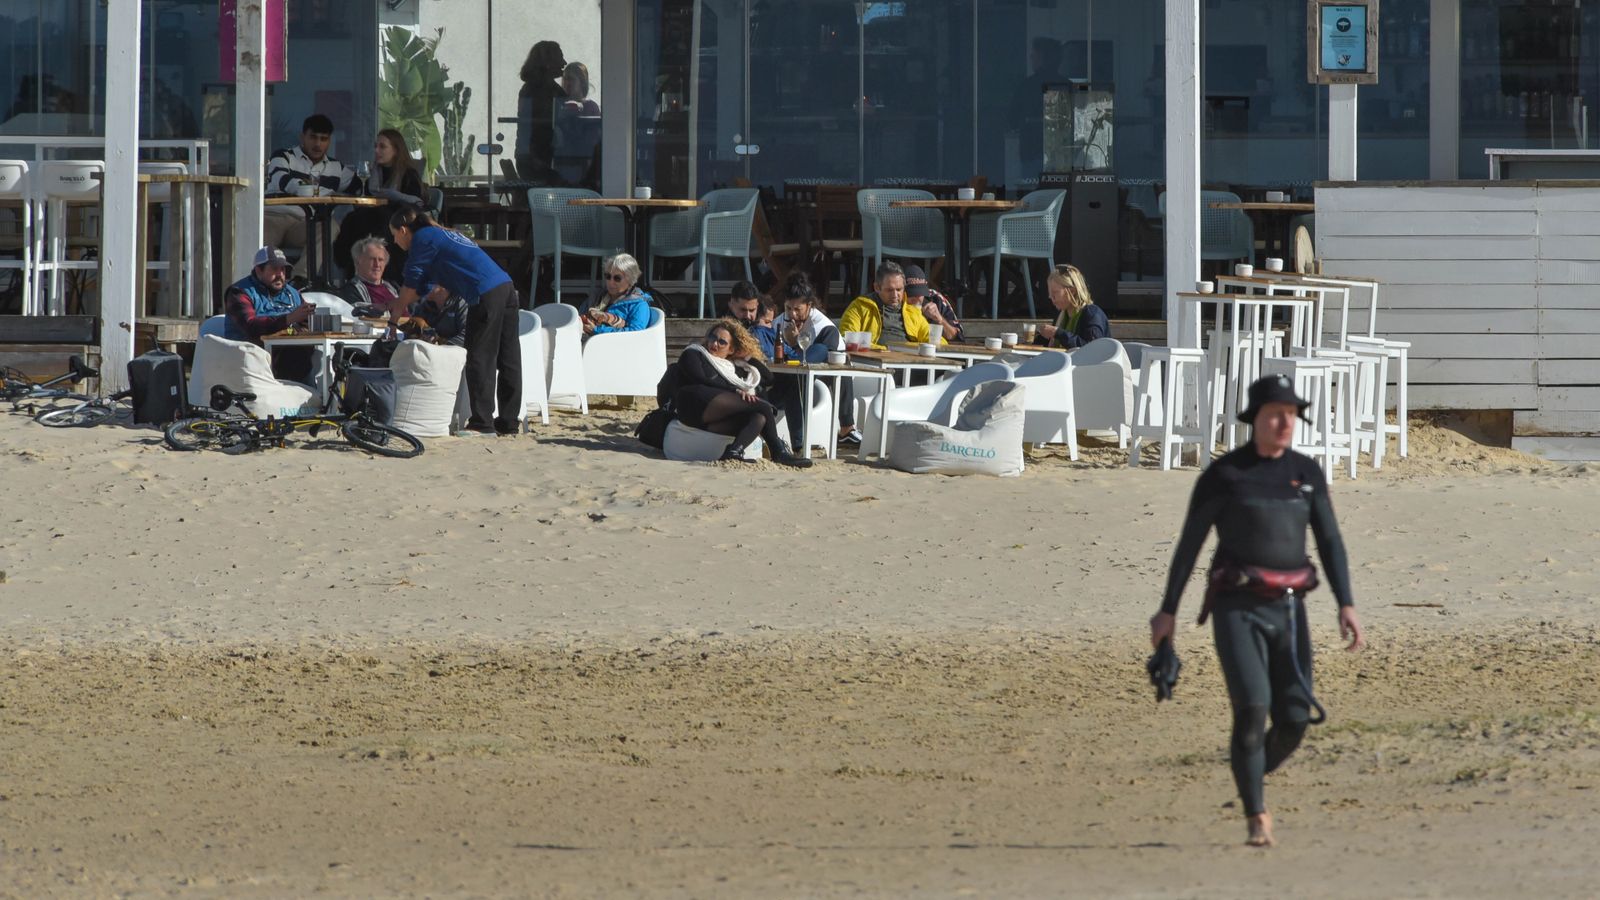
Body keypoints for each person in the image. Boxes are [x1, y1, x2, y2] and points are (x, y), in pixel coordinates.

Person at [1151, 374, 1365, 848]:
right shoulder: (1225, 476)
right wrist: (1167, 612)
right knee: (1252, 711)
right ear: (1255, 420)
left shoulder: (1306, 473)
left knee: (1293, 719)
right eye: (1275, 413)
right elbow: (1189, 546)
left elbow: (1329, 541)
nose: (1284, 422)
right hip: (1236, 610)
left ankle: (1250, 775)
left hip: (1290, 611)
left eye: (1290, 414)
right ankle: (1257, 814)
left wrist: (1345, 602)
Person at [387, 207, 521, 436]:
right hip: (506, 287)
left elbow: (412, 282)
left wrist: (393, 318)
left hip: (484, 291)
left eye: (394, 236)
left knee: (480, 356)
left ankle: (482, 423)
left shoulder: (423, 238)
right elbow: (424, 287)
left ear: (403, 230)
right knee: (508, 357)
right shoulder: (439, 235)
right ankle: (508, 423)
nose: (395, 241)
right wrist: (394, 303)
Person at [673, 319, 812, 469]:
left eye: (722, 342)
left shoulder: (731, 367)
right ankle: (778, 452)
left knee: (758, 418)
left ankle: (733, 451)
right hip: (694, 402)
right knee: (763, 407)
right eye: (713, 338)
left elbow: (768, 378)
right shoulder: (695, 352)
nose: (714, 344)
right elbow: (699, 378)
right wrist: (734, 391)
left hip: (713, 415)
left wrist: (746, 357)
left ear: (731, 350)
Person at [770, 272, 862, 448]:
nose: (793, 314)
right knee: (794, 382)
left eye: (798, 309)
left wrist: (795, 344)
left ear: (809, 306)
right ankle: (798, 445)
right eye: (789, 308)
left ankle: (846, 428)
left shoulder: (822, 325)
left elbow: (829, 358)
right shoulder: (780, 322)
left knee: (821, 352)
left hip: (821, 373)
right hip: (787, 377)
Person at [335, 128, 425, 281]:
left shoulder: (408, 174)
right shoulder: (371, 171)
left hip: (396, 219)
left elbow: (415, 203)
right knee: (352, 219)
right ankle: (350, 271)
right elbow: (356, 190)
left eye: (382, 147)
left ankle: (386, 276)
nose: (377, 150)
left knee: (379, 220)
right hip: (371, 216)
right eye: (376, 146)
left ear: (396, 150)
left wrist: (394, 197)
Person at [264, 114, 357, 256]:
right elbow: (284, 181)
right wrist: (326, 192)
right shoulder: (283, 156)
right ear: (302, 137)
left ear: (329, 141)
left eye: (323, 139)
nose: (318, 144)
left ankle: (300, 278)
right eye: (313, 137)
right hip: (274, 216)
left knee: (330, 227)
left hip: (305, 222)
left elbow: (361, 187)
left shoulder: (336, 167)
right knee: (261, 247)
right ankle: (263, 278)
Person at [223, 245, 315, 382]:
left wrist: (309, 321)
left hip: (290, 357)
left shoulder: (293, 293)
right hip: (250, 360)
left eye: (283, 269)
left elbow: (304, 321)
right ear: (259, 270)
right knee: (295, 355)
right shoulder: (239, 292)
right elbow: (251, 326)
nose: (280, 275)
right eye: (274, 269)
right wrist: (288, 319)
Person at [840, 260, 945, 348]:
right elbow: (848, 340)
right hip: (875, 364)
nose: (895, 295)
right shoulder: (859, 307)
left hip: (909, 363)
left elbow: (939, 343)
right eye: (889, 290)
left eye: (899, 289)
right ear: (877, 287)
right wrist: (887, 351)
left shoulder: (912, 312)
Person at [515, 41, 568, 182]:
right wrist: (533, 158)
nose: (564, 62)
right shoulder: (534, 90)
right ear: (548, 62)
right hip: (535, 161)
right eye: (560, 57)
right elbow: (528, 128)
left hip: (541, 158)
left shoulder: (552, 90)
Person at [1035, 263, 1110, 349]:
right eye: (1049, 293)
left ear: (1072, 291)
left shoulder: (1092, 314)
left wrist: (1058, 333)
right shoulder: (1062, 315)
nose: (1050, 297)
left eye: (1055, 292)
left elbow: (1092, 348)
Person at [580, 254, 654, 337]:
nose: (610, 282)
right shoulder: (597, 297)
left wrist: (597, 330)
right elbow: (579, 317)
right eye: (608, 276)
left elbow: (635, 333)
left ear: (630, 280)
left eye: (617, 278)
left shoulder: (639, 305)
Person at [902, 263, 964, 343]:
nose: (917, 298)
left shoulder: (936, 299)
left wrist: (939, 319)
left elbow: (958, 338)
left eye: (920, 293)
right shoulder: (896, 301)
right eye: (912, 294)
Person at [724, 280, 776, 358]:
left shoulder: (764, 331)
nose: (748, 315)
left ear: (757, 305)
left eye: (752, 310)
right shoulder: (722, 333)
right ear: (731, 304)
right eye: (743, 310)